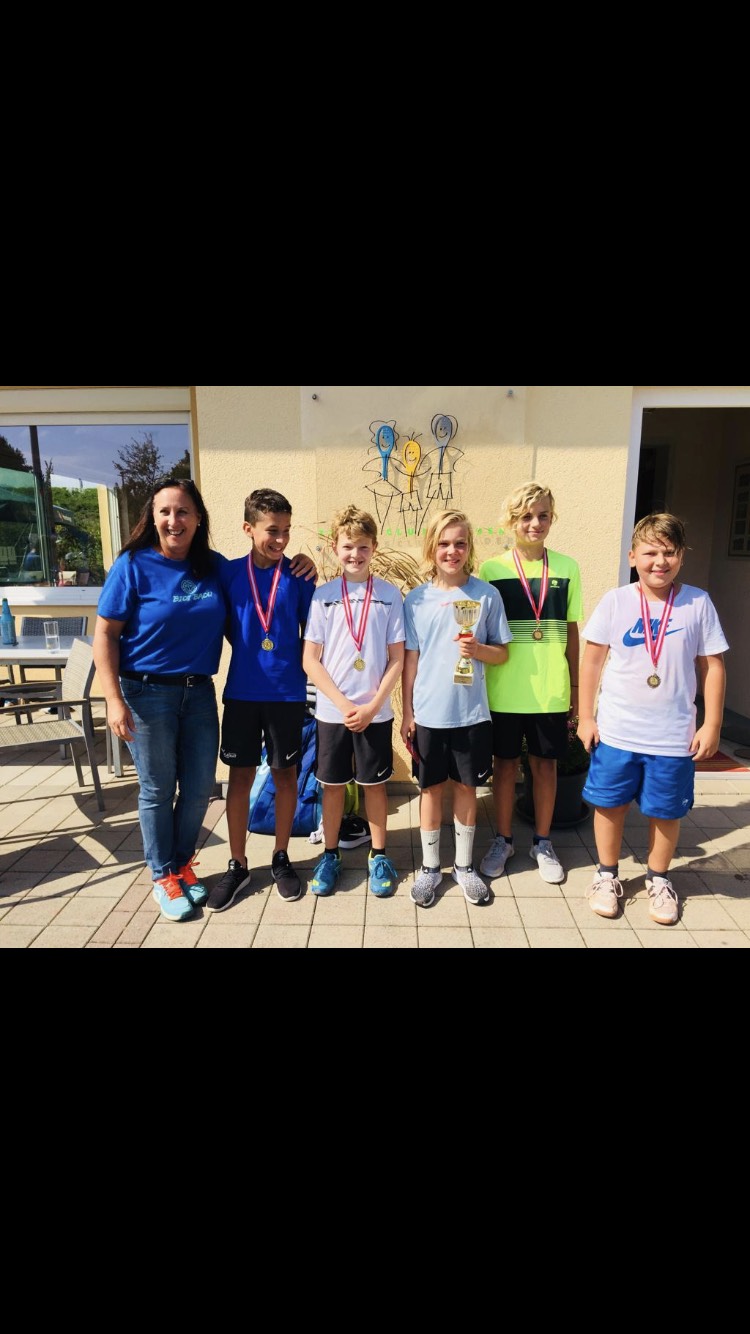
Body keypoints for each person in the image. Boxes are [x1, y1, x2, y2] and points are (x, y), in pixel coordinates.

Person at [93, 477, 314, 923]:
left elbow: (314, 634)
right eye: (166, 511)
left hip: (216, 691)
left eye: (183, 512)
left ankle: (245, 860)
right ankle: (190, 871)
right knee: (170, 787)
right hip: (166, 692)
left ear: (197, 519)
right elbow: (106, 633)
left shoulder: (226, 568)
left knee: (204, 788)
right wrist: (113, 699)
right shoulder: (163, 566)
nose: (174, 520)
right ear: (248, 528)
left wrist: (308, 564)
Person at [578, 512, 728, 925]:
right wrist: (585, 717)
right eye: (650, 553)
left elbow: (712, 666)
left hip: (673, 735)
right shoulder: (616, 601)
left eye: (669, 553)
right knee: (610, 806)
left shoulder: (698, 602)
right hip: (617, 730)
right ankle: (607, 875)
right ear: (632, 556)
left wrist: (712, 724)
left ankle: (658, 879)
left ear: (681, 557)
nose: (659, 562)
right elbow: (592, 661)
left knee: (666, 812)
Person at [207, 487, 317, 912]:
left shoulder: (300, 576)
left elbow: (315, 634)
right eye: (272, 530)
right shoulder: (229, 574)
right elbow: (225, 626)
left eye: (287, 530)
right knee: (240, 778)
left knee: (286, 775)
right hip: (241, 693)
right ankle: (237, 864)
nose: (281, 540)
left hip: (287, 694)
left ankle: (281, 857)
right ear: (248, 528)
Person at [401, 509, 511, 909]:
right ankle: (431, 867)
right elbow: (411, 660)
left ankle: (464, 866)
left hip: (471, 714)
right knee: (430, 789)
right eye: (444, 543)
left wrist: (478, 649)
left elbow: (502, 653)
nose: (452, 551)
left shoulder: (486, 595)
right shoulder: (416, 599)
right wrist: (408, 712)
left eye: (460, 543)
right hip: (429, 713)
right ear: (432, 547)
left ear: (469, 547)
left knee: (467, 788)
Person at [479, 482, 583, 885]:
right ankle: (503, 840)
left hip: (550, 691)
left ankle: (543, 842)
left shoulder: (568, 567)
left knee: (545, 766)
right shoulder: (492, 570)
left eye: (542, 515)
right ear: (511, 521)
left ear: (552, 518)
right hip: (504, 689)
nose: (534, 523)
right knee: (504, 766)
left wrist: (576, 689)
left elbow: (572, 632)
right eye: (525, 516)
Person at [302, 504, 405, 898]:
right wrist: (344, 705)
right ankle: (330, 855)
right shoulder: (323, 597)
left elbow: (397, 659)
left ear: (374, 547)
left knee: (375, 787)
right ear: (335, 548)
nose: (355, 554)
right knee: (332, 787)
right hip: (334, 713)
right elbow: (310, 660)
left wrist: (372, 705)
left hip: (375, 712)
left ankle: (379, 856)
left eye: (363, 547)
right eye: (347, 546)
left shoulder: (390, 596)